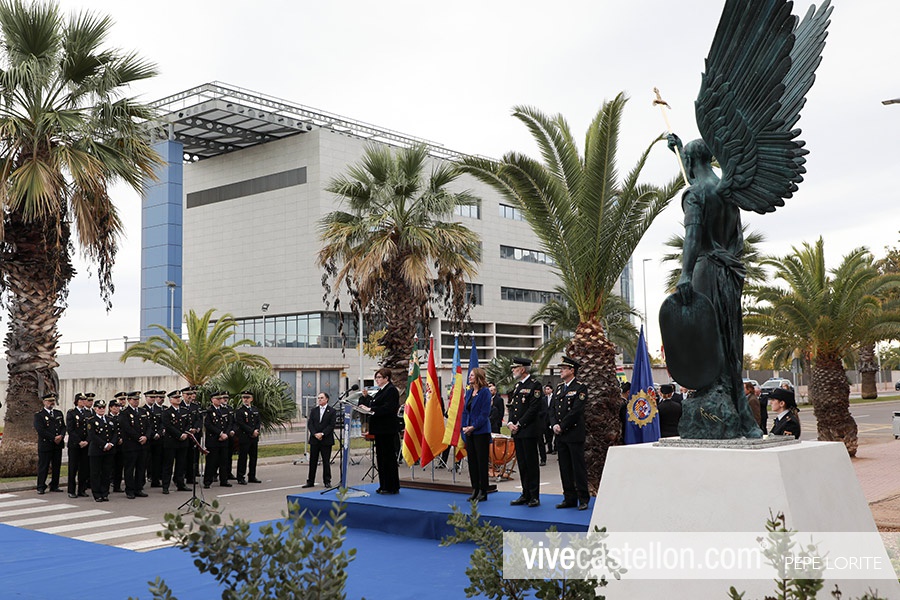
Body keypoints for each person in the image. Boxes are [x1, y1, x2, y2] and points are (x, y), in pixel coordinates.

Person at [550, 356, 590, 511]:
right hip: (560, 435)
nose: (561, 371)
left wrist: (562, 425)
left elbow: (576, 410)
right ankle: (569, 498)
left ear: (572, 370)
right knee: (564, 468)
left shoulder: (580, 388)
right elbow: (552, 409)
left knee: (577, 468)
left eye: (564, 368)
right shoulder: (559, 388)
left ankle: (583, 498)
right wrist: (554, 424)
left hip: (573, 433)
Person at [506, 356, 542, 507]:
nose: (513, 371)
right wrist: (510, 423)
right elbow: (513, 407)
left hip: (528, 430)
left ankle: (534, 495)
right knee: (522, 463)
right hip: (518, 432)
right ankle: (525, 493)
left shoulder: (534, 385)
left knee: (531, 463)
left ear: (522, 369)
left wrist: (519, 423)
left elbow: (533, 408)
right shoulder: (517, 386)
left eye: (515, 368)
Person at [367, 368, 400, 494]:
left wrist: (371, 409)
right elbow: (375, 404)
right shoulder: (381, 390)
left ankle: (391, 486)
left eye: (379, 377)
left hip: (387, 429)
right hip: (380, 429)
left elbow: (388, 408)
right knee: (381, 457)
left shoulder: (391, 390)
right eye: (376, 377)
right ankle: (384, 484)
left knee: (388, 457)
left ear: (386, 378)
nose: (377, 380)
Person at [461, 367, 491, 502]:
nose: (469, 377)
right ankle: (475, 488)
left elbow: (484, 414)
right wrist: (464, 426)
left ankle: (483, 490)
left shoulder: (485, 392)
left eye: (472, 375)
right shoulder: (469, 392)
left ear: (478, 377)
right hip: (469, 432)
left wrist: (473, 427)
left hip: (480, 432)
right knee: (472, 461)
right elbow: (465, 411)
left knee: (481, 462)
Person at [119, 391, 150, 499]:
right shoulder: (124, 413)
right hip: (131, 445)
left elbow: (148, 426)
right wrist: (138, 438)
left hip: (142, 445)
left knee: (141, 468)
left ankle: (138, 488)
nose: (136, 401)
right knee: (130, 468)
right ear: (129, 400)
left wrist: (146, 436)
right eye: (134, 399)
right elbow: (127, 428)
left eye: (137, 399)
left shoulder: (143, 411)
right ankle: (130, 490)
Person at [34, 392, 65, 495]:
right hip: (46, 445)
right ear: (44, 402)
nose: (51, 403)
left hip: (57, 444)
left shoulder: (58, 413)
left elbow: (63, 427)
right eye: (49, 401)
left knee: (56, 466)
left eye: (52, 401)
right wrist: (53, 438)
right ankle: (41, 486)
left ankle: (54, 485)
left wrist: (61, 435)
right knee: (44, 466)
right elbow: (40, 430)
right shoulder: (39, 415)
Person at [303, 391, 336, 488]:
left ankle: (327, 481)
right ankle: (310, 481)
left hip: (326, 440)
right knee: (313, 461)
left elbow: (331, 425)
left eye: (322, 398)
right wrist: (314, 434)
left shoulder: (332, 411)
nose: (320, 400)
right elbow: (310, 423)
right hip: (315, 439)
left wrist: (322, 434)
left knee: (326, 461)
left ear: (327, 399)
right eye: (319, 398)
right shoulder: (314, 410)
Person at [161, 389, 190, 494]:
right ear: (170, 400)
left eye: (179, 397)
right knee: (168, 465)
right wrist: (179, 435)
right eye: (175, 398)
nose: (178, 399)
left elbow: (188, 423)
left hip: (183, 441)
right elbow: (168, 426)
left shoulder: (184, 411)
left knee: (181, 464)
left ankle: (180, 483)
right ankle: (165, 485)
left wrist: (185, 433)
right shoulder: (166, 412)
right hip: (171, 441)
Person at [87, 400, 116, 502]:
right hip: (96, 451)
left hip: (109, 450)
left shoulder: (110, 419)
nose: (102, 409)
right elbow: (92, 436)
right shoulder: (91, 421)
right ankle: (97, 494)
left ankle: (105, 493)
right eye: (99, 407)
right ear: (95, 409)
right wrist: (104, 444)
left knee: (106, 473)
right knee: (95, 473)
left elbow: (115, 433)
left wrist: (111, 444)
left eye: (103, 407)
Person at [204, 391, 234, 488]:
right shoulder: (209, 411)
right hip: (213, 440)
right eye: (217, 399)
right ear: (212, 400)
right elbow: (208, 425)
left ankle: (224, 480)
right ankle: (207, 481)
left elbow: (229, 423)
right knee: (211, 462)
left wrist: (226, 434)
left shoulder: (225, 410)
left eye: (220, 399)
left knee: (224, 461)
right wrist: (220, 433)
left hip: (224, 439)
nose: (219, 400)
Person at [234, 390, 263, 485]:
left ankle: (252, 476)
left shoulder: (254, 409)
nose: (245, 399)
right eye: (244, 398)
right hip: (245, 437)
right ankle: (240, 477)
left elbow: (258, 421)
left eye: (247, 398)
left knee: (253, 457)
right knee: (243, 458)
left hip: (254, 437)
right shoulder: (240, 410)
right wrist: (251, 431)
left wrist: (257, 430)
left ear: (251, 399)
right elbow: (241, 423)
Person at [65, 393, 90, 498]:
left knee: (84, 468)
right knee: (73, 468)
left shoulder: (88, 413)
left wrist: (87, 441)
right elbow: (70, 429)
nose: (83, 402)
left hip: (86, 445)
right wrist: (79, 441)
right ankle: (71, 490)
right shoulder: (71, 413)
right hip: (75, 445)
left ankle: (82, 490)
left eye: (85, 400)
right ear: (77, 401)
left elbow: (90, 429)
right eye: (81, 400)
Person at [181, 385, 203, 484]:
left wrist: (196, 428)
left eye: (191, 394)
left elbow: (199, 419)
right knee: (183, 457)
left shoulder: (195, 406)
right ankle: (181, 477)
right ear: (183, 395)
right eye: (187, 394)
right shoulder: (180, 405)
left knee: (192, 457)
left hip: (194, 435)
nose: (190, 396)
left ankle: (191, 477)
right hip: (185, 435)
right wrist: (188, 429)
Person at [145, 390, 165, 487]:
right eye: (151, 397)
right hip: (149, 438)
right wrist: (153, 434)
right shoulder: (143, 410)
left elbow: (162, 422)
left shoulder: (158, 409)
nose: (153, 399)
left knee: (157, 460)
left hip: (158, 438)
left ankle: (155, 480)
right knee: (147, 460)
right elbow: (145, 426)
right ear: (146, 398)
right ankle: (146, 478)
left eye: (154, 397)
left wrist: (159, 433)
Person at [107, 398, 125, 493]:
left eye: (118, 406)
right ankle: (108, 483)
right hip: (112, 445)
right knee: (109, 466)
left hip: (121, 446)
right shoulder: (107, 418)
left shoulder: (122, 417)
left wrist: (122, 438)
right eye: (115, 406)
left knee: (119, 466)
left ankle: (117, 485)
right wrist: (115, 440)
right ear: (110, 408)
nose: (117, 408)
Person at [539, 383, 555, 464]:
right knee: (547, 434)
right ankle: (550, 448)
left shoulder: (554, 397)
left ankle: (555, 448)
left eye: (548, 389)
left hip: (551, 418)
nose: (547, 390)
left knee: (553, 434)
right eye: (546, 389)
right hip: (544, 420)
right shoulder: (543, 399)